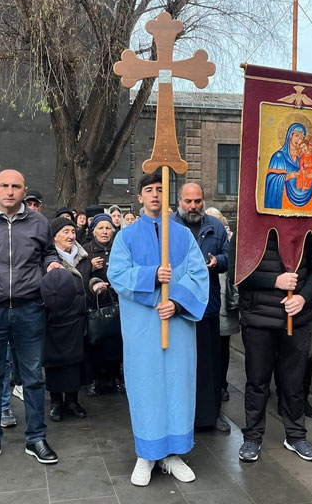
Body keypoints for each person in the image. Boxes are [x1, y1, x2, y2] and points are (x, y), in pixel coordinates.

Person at [0, 169, 63, 470]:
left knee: (32, 376)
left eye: (16, 186)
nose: (9, 191)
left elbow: (48, 253)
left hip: (30, 308)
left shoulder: (39, 223)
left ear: (24, 191)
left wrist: (53, 264)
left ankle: (36, 438)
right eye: (4, 185)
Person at [108, 174, 209, 487]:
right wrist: (152, 276)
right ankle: (147, 454)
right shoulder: (126, 237)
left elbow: (198, 273)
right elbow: (117, 274)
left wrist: (176, 303)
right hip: (143, 327)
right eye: (149, 190)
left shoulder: (183, 235)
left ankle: (173, 454)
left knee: (178, 386)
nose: (155, 195)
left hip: (177, 327)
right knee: (146, 386)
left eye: (161, 190)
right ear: (140, 197)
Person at [228, 229, 312, 463]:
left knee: (294, 382)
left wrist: (303, 297)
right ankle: (252, 437)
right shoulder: (247, 227)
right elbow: (236, 273)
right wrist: (275, 281)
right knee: (257, 381)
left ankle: (296, 436)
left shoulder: (307, 229)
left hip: (296, 317)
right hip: (258, 318)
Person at [173, 184, 230, 433]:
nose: (193, 206)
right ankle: (181, 418)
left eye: (197, 201)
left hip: (208, 305)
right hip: (178, 307)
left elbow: (230, 256)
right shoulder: (169, 226)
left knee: (209, 364)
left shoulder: (215, 226)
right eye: (188, 201)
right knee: (180, 366)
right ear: (180, 201)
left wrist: (218, 261)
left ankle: (212, 415)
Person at [45, 216, 91, 422]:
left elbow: (88, 278)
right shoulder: (49, 259)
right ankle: (56, 402)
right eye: (65, 232)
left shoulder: (83, 256)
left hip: (78, 318)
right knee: (55, 362)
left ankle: (73, 401)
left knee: (75, 362)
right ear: (54, 237)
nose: (71, 236)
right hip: (56, 319)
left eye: (72, 231)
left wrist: (94, 283)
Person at [85, 213, 123, 395]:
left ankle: (116, 377)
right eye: (100, 228)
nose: (105, 231)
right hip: (96, 304)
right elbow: (79, 274)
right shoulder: (86, 250)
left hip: (118, 301)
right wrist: (90, 267)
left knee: (117, 341)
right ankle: (94, 379)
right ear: (93, 231)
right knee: (95, 341)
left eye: (108, 228)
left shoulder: (119, 247)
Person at [205, 207, 239, 403]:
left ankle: (222, 384)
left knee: (222, 348)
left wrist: (218, 261)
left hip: (225, 302)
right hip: (209, 301)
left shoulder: (229, 240)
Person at [264, 123, 312, 212]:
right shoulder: (279, 156)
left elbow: (310, 170)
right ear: (290, 136)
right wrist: (289, 176)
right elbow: (271, 179)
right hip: (283, 202)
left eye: (301, 138)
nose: (299, 140)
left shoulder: (300, 159)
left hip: (305, 206)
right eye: (296, 136)